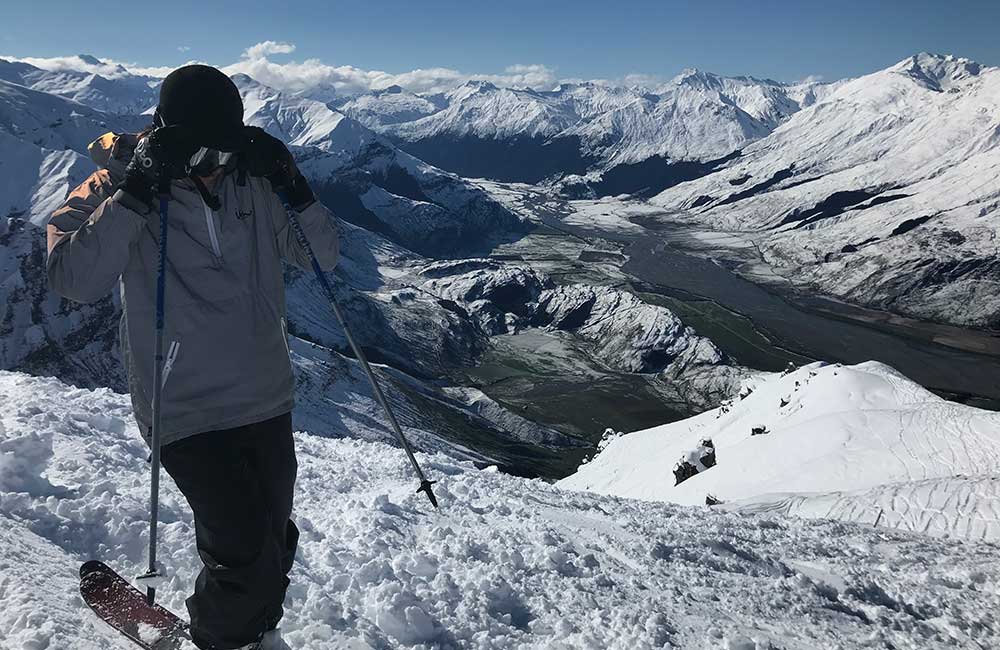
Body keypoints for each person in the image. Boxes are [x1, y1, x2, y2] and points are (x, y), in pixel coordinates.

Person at [47, 65, 340, 650]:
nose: (215, 165)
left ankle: (253, 630)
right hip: (182, 404)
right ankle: (222, 640)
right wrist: (134, 192)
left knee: (271, 539)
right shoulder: (116, 185)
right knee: (243, 549)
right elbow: (74, 278)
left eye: (226, 150)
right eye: (202, 149)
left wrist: (291, 180)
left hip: (265, 395)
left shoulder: (252, 184)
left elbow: (323, 256)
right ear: (168, 135)